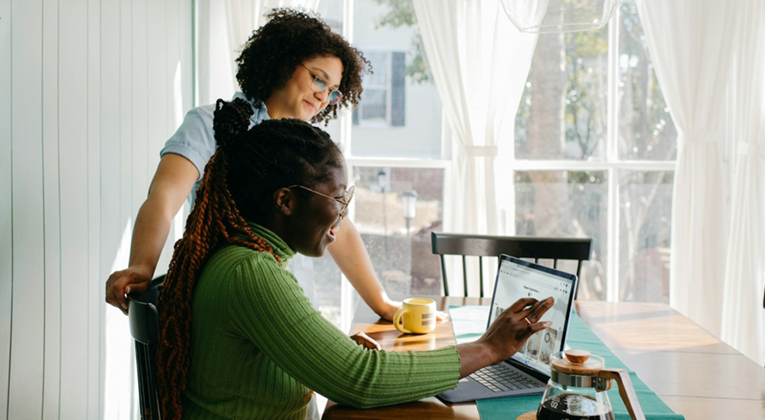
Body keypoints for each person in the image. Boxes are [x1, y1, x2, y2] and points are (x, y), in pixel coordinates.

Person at [156, 99, 555, 420]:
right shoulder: (250, 272)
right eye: (337, 198)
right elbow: (359, 381)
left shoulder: (248, 259)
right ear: (285, 201)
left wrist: (323, 348)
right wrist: (488, 349)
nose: (343, 214)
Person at [105, 8, 403, 322]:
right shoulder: (212, 123)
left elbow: (337, 228)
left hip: (296, 309)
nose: (322, 96)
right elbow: (163, 198)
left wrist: (382, 304)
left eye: (332, 92)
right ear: (284, 62)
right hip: (234, 309)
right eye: (318, 78)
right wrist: (141, 265)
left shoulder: (309, 149)